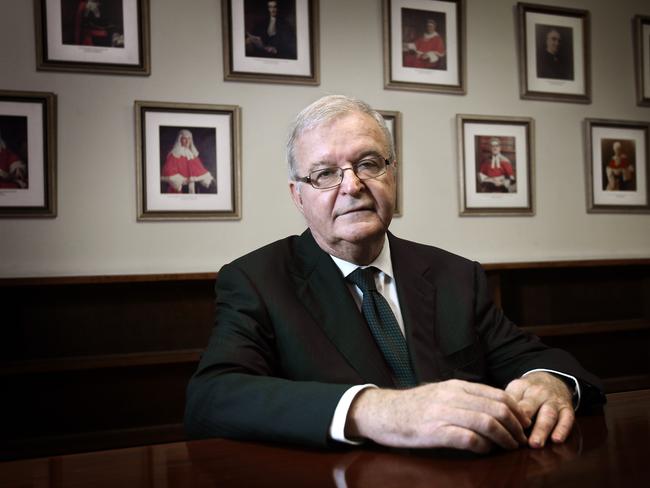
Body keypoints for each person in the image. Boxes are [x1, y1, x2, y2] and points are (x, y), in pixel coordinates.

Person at [185, 95, 605, 453]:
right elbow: (212, 399)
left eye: (368, 164)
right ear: (298, 196)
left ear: (393, 174)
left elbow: (536, 359)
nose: (351, 186)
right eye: (325, 173)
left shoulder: (455, 275)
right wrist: (374, 410)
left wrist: (550, 382)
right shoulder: (256, 280)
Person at [161, 129, 214, 194]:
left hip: (193, 187)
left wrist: (207, 178)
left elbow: (200, 169)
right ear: (180, 139)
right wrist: (180, 182)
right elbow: (169, 171)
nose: (187, 141)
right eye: (184, 139)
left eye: (189, 139)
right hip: (180, 187)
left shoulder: (191, 154)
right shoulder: (174, 154)